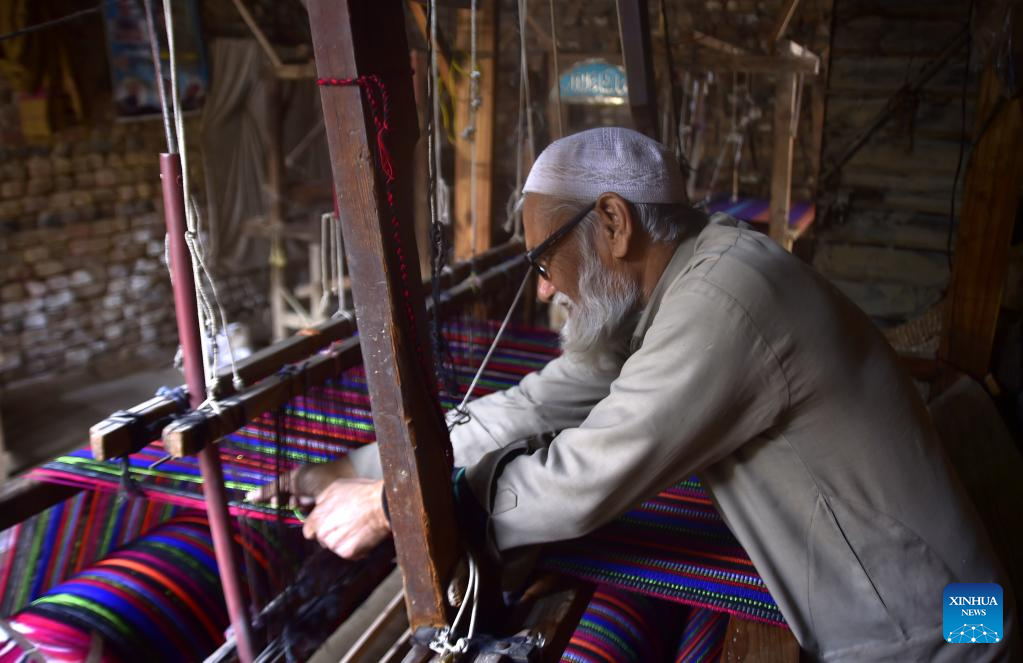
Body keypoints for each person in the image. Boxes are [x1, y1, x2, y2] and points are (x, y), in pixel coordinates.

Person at [250, 127, 1018, 662]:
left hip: (944, 632)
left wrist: (394, 505)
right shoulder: (669, 294)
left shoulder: (726, 300)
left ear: (612, 222)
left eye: (544, 259)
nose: (546, 286)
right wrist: (359, 467)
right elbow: (539, 405)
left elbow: (580, 481)